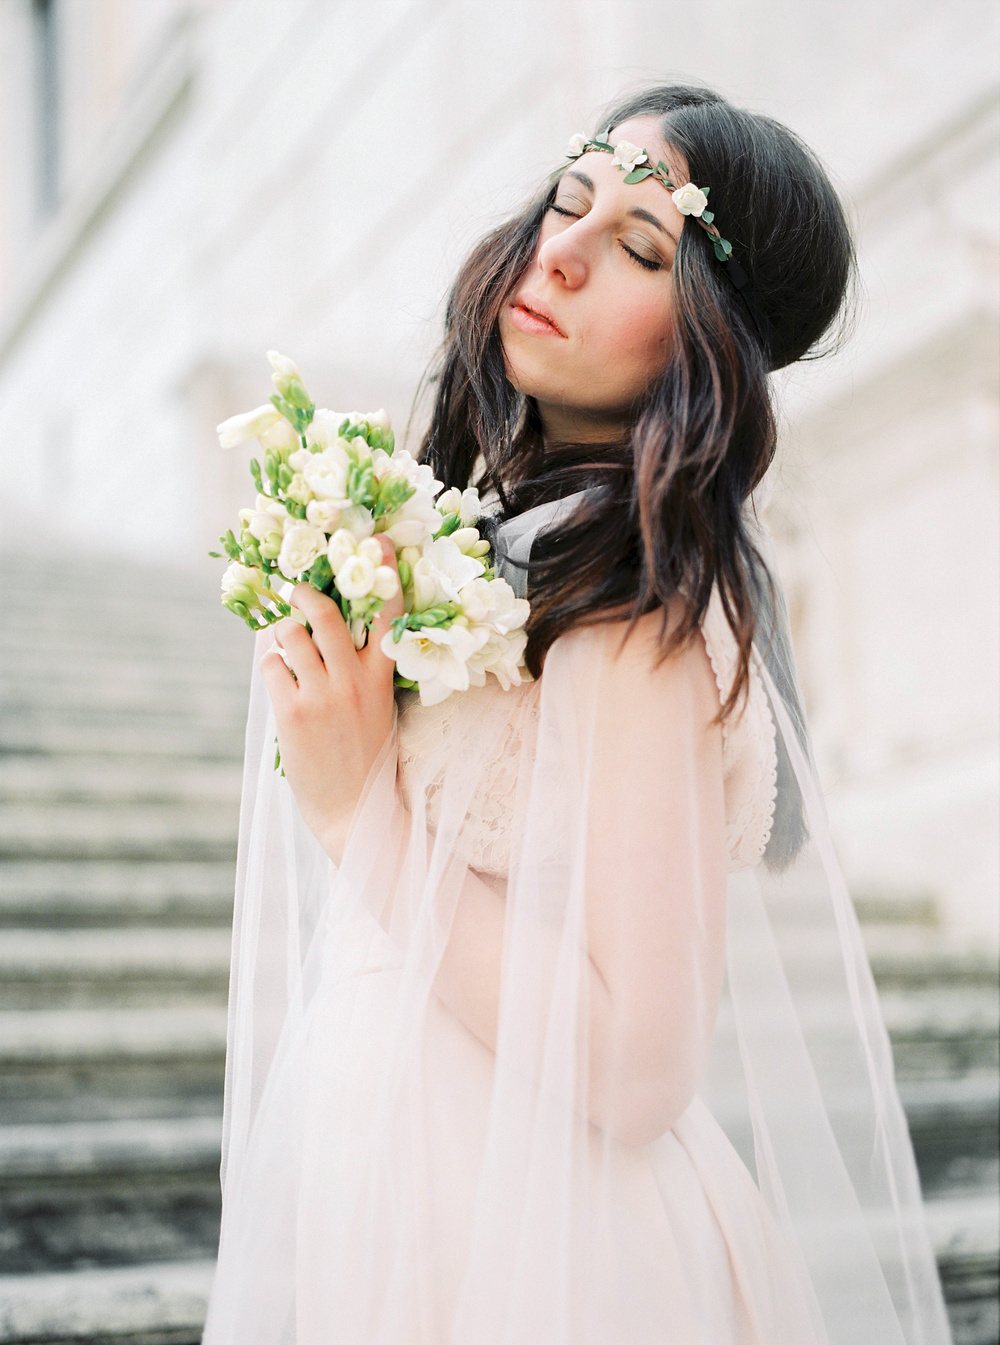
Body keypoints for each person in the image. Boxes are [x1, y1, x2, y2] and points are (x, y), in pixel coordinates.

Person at [202, 84, 951, 1344]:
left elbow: (638, 1063)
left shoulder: (633, 618)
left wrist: (357, 810)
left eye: (641, 248)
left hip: (537, 1232)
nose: (559, 250)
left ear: (705, 342)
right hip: (414, 1171)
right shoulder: (531, 552)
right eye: (567, 200)